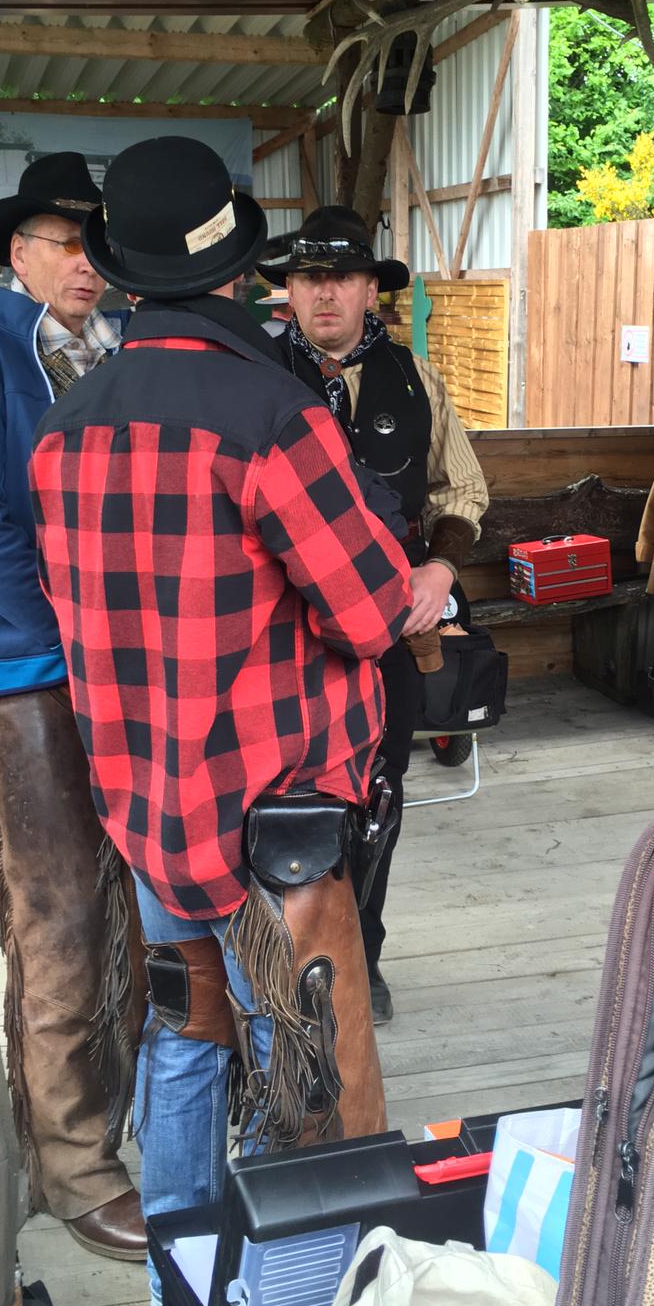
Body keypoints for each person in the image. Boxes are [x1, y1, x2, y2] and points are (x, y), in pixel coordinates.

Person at [27, 137, 413, 1306]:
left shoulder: (63, 432)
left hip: (150, 809)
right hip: (269, 826)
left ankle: (175, 1287)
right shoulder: (274, 418)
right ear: (240, 270)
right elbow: (371, 611)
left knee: (186, 1036)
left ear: (121, 272)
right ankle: (288, 1304)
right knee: (301, 1068)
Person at [0, 153, 146, 1258]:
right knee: (57, 916)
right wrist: (76, 636)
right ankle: (73, 1165)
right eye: (64, 241)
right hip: (19, 673)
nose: (86, 262)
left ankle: (103, 1124)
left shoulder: (121, 355)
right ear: (18, 252)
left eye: (100, 243)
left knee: (130, 902)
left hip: (116, 667)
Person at [263, 205, 489, 1023]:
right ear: (289, 291)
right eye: (309, 278)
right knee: (283, 792)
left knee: (379, 791)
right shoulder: (253, 376)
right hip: (279, 632)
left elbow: (462, 488)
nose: (325, 293)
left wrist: (440, 566)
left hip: (390, 626)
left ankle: (363, 953)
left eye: (343, 277)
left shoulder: (415, 377)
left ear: (369, 290)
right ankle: (282, 959)